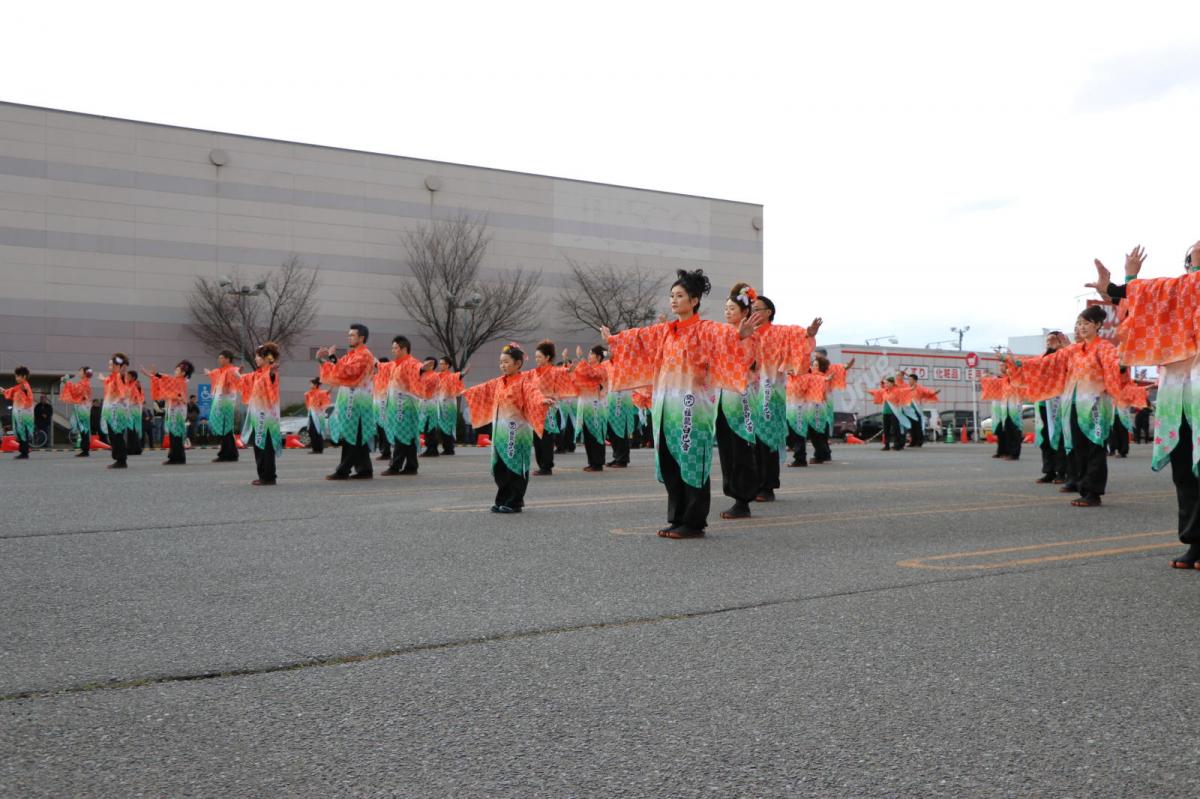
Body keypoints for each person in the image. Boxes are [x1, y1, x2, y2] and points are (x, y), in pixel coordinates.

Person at [601, 269, 763, 538]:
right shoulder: (665, 332)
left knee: (691, 460)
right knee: (669, 461)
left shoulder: (705, 329)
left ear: (695, 300)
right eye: (671, 296)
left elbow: (727, 337)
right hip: (665, 406)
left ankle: (694, 521)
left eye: (680, 296)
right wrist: (614, 340)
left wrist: (740, 335)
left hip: (692, 408)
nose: (674, 301)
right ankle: (677, 517)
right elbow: (638, 337)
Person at [1085, 243, 1200, 564]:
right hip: (1179, 393)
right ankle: (1196, 541)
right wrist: (1121, 281)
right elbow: (1136, 299)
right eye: (1194, 250)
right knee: (1185, 468)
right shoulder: (1174, 291)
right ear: (1187, 262)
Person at [1004, 305, 1147, 507]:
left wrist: (1121, 365)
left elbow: (1115, 364)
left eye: (1086, 323)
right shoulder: (1072, 351)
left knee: (1095, 447)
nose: (1081, 327)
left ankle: (1093, 492)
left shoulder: (1104, 347)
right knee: (1078, 447)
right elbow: (1046, 362)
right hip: (1071, 403)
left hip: (1095, 405)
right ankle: (1083, 486)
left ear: (1098, 325)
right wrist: (1018, 363)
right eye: (1079, 323)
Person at [462, 343, 553, 513]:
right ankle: (502, 498)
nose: (502, 365)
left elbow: (534, 394)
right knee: (500, 467)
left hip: (516, 433)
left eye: (506, 362)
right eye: (501, 362)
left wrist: (542, 401)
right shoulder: (498, 382)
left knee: (515, 467)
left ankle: (515, 501)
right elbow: (483, 389)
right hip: (500, 432)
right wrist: (468, 392)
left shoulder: (524, 382)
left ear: (518, 364)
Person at [747, 294, 819, 501]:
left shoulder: (779, 332)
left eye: (757, 309)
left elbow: (797, 335)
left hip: (771, 393)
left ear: (768, 312)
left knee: (767, 439)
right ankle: (753, 484)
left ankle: (767, 485)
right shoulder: (747, 334)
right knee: (752, 442)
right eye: (751, 309)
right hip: (749, 393)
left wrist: (808, 332)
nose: (753, 312)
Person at [714, 283, 762, 518]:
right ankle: (735, 494)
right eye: (726, 307)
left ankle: (743, 499)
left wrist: (738, 337)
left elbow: (743, 364)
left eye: (732, 308)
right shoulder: (723, 332)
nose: (727, 311)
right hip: (722, 396)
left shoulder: (750, 337)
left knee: (740, 447)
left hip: (740, 397)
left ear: (745, 312)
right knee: (727, 449)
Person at [317, 323, 377, 480]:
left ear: (361, 338)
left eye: (352, 335)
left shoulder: (364, 355)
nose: (349, 337)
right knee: (357, 436)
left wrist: (331, 359)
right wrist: (321, 360)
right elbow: (338, 368)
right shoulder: (352, 354)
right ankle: (365, 469)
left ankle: (343, 470)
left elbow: (347, 371)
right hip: (350, 399)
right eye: (349, 335)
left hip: (358, 402)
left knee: (353, 436)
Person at [380, 336, 433, 476]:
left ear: (404, 349)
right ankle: (411, 465)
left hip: (405, 406)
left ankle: (395, 466)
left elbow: (417, 368)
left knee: (401, 435)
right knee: (407, 436)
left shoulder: (411, 362)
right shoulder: (394, 364)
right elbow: (381, 368)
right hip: (396, 405)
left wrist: (422, 368)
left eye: (396, 348)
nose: (393, 351)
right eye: (392, 348)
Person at [529, 340, 578, 476]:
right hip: (536, 409)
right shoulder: (534, 372)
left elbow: (563, 372)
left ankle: (546, 466)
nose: (537, 359)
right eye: (536, 357)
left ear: (547, 358)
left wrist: (569, 369)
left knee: (546, 438)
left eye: (539, 357)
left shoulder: (553, 371)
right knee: (537, 439)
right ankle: (542, 465)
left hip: (549, 409)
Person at [241, 342, 282, 486]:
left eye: (258, 357)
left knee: (266, 446)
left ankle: (269, 476)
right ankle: (264, 475)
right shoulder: (257, 374)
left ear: (266, 358)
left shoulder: (271, 373)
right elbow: (244, 379)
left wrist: (271, 372)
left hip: (267, 417)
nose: (256, 359)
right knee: (259, 445)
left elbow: (270, 379)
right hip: (257, 416)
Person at [1032, 331, 1071, 484]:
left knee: (1060, 437)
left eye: (1053, 340)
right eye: (1047, 340)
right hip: (1043, 402)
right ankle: (1049, 471)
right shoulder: (1043, 356)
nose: (1050, 343)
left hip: (1059, 402)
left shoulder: (1065, 355)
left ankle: (1062, 471)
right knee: (1045, 438)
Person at [147, 360, 194, 465]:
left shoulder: (181, 382)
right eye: (176, 369)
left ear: (183, 373)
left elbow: (168, 382)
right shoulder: (177, 381)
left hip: (178, 411)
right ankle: (175, 457)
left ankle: (178, 457)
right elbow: (167, 380)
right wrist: (157, 375)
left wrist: (157, 375)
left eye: (178, 370)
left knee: (176, 434)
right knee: (174, 435)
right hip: (174, 410)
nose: (175, 371)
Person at [573, 345, 610, 472]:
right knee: (588, 435)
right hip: (587, 406)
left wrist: (580, 359)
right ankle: (592, 461)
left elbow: (590, 373)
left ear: (598, 357)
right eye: (588, 354)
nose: (589, 356)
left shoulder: (601, 369)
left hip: (596, 408)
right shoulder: (591, 368)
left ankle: (598, 462)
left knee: (596, 435)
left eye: (591, 354)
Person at [206, 350, 243, 463]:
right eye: (219, 358)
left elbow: (237, 374)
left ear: (228, 359)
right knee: (225, 430)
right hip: (220, 403)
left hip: (226, 404)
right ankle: (231, 454)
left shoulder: (232, 369)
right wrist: (209, 373)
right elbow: (214, 374)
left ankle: (225, 454)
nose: (219, 360)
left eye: (221, 358)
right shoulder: (220, 371)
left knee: (225, 428)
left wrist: (239, 372)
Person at [100, 353, 131, 468]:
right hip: (112, 410)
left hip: (117, 411)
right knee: (114, 435)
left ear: (117, 366)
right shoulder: (113, 377)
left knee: (117, 435)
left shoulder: (120, 376)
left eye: (111, 364)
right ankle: (118, 458)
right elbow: (108, 381)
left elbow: (123, 391)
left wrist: (122, 396)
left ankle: (121, 460)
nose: (109, 365)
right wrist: (103, 378)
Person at [434, 357, 468, 455]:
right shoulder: (438, 376)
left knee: (448, 427)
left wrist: (462, 374)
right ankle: (446, 447)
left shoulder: (451, 376)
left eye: (443, 363)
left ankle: (449, 448)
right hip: (440, 405)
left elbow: (458, 376)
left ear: (448, 365)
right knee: (441, 426)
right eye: (440, 363)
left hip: (449, 406)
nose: (440, 365)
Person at [60, 367, 94, 457]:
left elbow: (75, 390)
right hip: (84, 407)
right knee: (83, 429)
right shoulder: (85, 382)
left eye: (80, 371)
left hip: (83, 408)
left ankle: (85, 450)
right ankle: (85, 449)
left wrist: (67, 381)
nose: (79, 372)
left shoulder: (84, 383)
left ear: (84, 373)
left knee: (84, 429)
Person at [2, 366, 35, 459]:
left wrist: (4, 391)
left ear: (23, 376)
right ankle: (24, 451)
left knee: (22, 432)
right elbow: (15, 396)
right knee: (21, 433)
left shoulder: (23, 386)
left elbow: (13, 391)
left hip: (23, 414)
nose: (16, 378)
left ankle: (24, 453)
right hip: (22, 413)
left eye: (17, 376)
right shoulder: (23, 386)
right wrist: (5, 391)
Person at [904, 373, 938, 448]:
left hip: (917, 410)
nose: (909, 381)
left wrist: (933, 392)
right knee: (912, 427)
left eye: (910, 379)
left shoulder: (919, 388)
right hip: (909, 411)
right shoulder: (907, 388)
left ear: (915, 380)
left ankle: (919, 442)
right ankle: (912, 442)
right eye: (908, 379)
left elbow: (927, 391)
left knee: (917, 427)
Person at [1107, 367, 1133, 458]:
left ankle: (1123, 451)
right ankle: (1113, 449)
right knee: (1113, 432)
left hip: (1122, 412)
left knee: (1122, 431)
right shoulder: (1111, 383)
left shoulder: (1126, 384)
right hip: (1113, 412)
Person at [373, 357, 393, 462]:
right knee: (380, 430)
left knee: (385, 430)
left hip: (386, 407)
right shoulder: (376, 377)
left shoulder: (390, 378)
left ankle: (386, 452)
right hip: (377, 407)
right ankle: (383, 451)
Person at [304, 378, 331, 454]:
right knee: (312, 431)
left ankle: (318, 449)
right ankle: (315, 448)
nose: (310, 385)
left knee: (317, 431)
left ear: (315, 385)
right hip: (311, 414)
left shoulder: (320, 393)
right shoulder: (310, 393)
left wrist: (332, 384)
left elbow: (327, 392)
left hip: (317, 415)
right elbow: (307, 399)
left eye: (311, 383)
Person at [125, 371, 145, 455]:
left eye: (128, 376)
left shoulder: (134, 386)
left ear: (133, 377)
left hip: (133, 411)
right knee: (132, 431)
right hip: (130, 410)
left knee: (132, 430)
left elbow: (139, 399)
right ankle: (136, 449)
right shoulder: (129, 386)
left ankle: (132, 449)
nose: (126, 377)